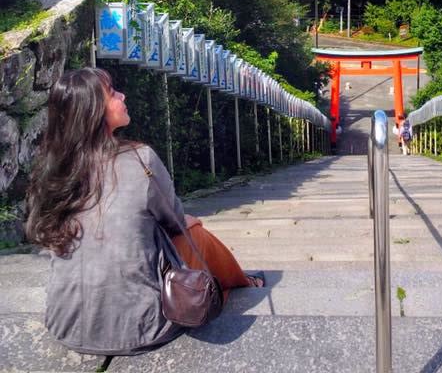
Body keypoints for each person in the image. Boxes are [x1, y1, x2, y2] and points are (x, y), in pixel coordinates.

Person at [25, 67, 264, 357]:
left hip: (65, 326)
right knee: (194, 230)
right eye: (112, 93)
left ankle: (241, 279)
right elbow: (174, 219)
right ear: (92, 112)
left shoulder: (52, 170)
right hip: (144, 328)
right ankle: (240, 281)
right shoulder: (139, 158)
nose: (122, 96)